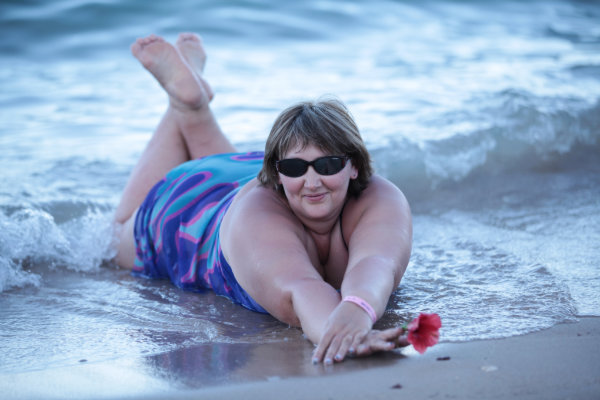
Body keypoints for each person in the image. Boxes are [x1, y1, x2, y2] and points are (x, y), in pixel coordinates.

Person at [114, 33, 413, 365]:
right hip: (189, 208)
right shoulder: (257, 218)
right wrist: (344, 335)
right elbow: (300, 289)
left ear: (354, 165)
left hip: (239, 175)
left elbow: (377, 264)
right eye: (295, 167)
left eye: (327, 165)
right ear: (278, 171)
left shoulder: (380, 198)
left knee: (276, 181)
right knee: (113, 239)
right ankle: (183, 103)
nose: (312, 181)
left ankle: (192, 106)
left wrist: (359, 309)